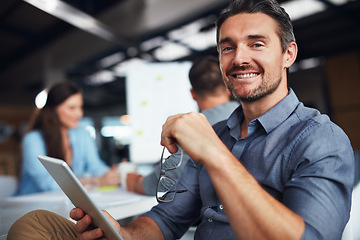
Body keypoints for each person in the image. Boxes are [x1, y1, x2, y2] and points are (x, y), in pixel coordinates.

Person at [8, 0, 355, 239]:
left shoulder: (320, 139)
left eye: (257, 44)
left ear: (288, 54)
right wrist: (121, 232)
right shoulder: (218, 132)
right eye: (228, 47)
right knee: (34, 225)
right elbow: (168, 219)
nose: (239, 58)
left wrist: (214, 154)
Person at [125, 56, 239, 195]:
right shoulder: (246, 116)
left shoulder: (194, 126)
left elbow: (170, 178)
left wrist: (137, 184)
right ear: (228, 88)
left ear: (192, 94)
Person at [15, 81, 120, 196]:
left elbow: (94, 165)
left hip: (65, 200)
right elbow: (46, 183)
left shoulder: (82, 134)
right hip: (30, 205)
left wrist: (111, 175)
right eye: (71, 108)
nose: (79, 114)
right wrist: (95, 181)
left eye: (80, 107)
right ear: (53, 110)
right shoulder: (33, 139)